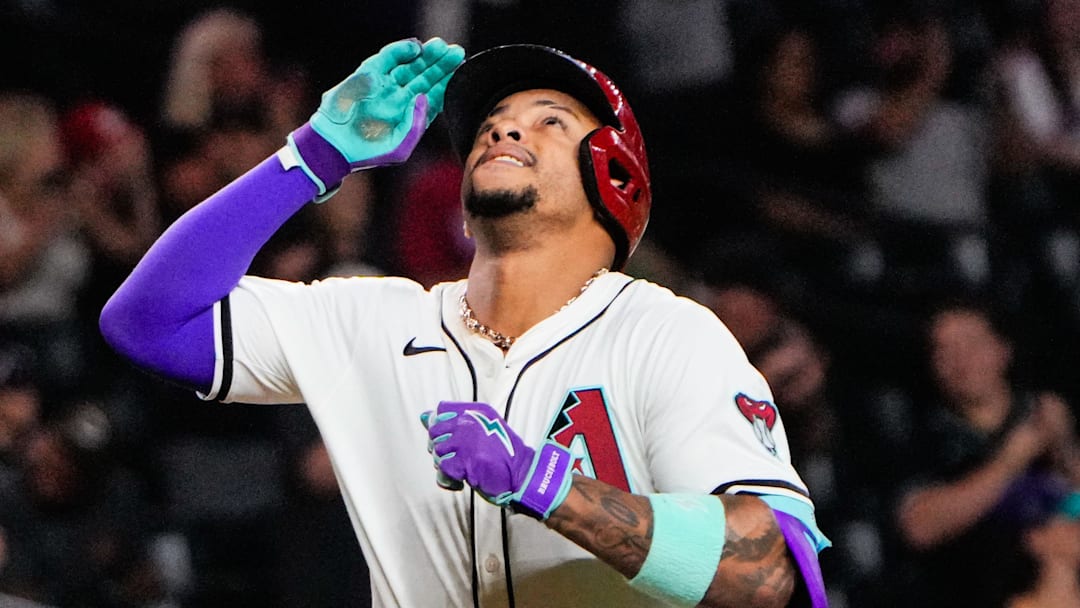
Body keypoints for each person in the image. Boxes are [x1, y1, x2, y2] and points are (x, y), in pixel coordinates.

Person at [100, 37, 829, 607]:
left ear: (614, 176)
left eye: (550, 121)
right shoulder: (374, 320)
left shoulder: (667, 334)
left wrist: (547, 484)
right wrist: (312, 157)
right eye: (495, 122)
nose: (505, 129)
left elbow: (762, 574)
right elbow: (149, 322)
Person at [895, 299, 1080, 607]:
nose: (960, 361)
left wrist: (1065, 448)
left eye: (971, 344)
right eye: (945, 351)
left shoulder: (1047, 413)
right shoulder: (924, 440)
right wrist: (1010, 461)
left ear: (1003, 350)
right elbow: (919, 528)